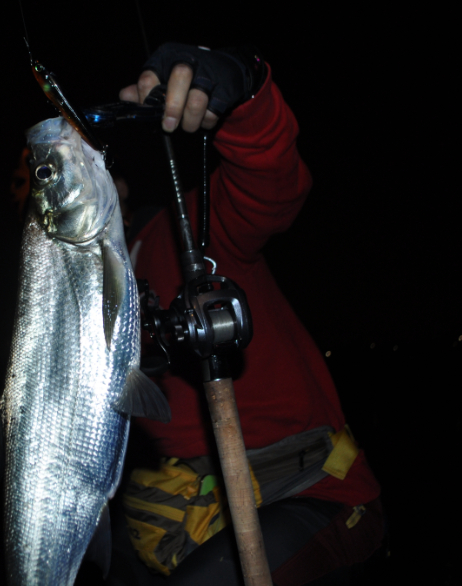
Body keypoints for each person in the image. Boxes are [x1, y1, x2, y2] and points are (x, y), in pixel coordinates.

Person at [105, 43, 384, 586]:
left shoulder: (187, 226)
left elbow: (273, 187)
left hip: (314, 493)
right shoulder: (80, 301)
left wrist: (245, 93)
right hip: (187, 510)